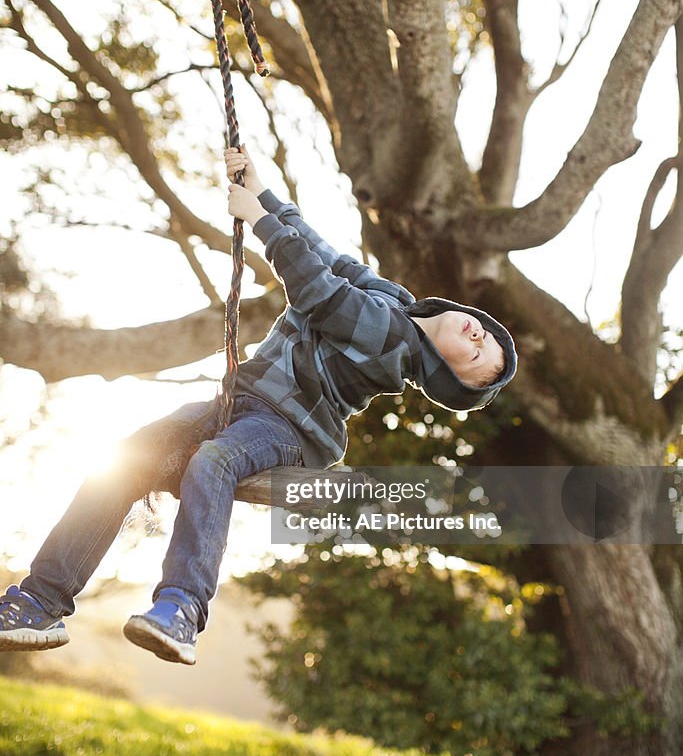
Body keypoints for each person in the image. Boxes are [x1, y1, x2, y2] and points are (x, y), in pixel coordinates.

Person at [0, 147, 517, 666]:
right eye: (485, 333)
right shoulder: (397, 301)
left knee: (214, 460)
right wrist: (264, 190)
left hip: (291, 429)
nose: (477, 335)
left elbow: (317, 290)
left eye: (475, 355)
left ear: (444, 376)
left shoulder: (394, 342)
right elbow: (329, 258)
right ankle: (40, 602)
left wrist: (261, 220)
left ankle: (181, 607)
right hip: (239, 402)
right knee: (128, 455)